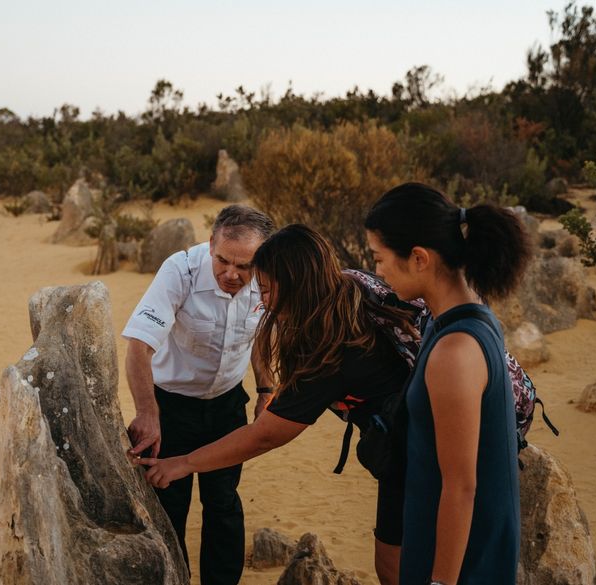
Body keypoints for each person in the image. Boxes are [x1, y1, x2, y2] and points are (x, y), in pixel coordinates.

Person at [135, 223, 420, 585]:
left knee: (397, 569)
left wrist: (184, 464)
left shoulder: (332, 354)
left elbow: (264, 437)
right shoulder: (349, 289)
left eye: (266, 289)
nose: (262, 301)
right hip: (410, 443)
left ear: (295, 285)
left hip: (419, 455)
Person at [364, 182, 530, 585]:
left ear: (419, 258)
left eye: (379, 258)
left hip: (462, 564)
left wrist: (441, 582)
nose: (377, 271)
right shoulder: (462, 321)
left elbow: (461, 486)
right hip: (449, 548)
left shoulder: (455, 350)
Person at [122, 204, 277, 585]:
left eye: (244, 267)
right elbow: (138, 346)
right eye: (223, 260)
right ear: (211, 244)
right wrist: (147, 412)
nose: (232, 274)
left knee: (223, 503)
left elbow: (261, 333)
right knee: (169, 504)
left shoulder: (268, 276)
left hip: (227, 405)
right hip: (171, 406)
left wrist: (265, 387)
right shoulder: (180, 270)